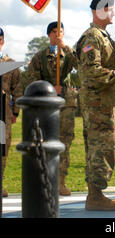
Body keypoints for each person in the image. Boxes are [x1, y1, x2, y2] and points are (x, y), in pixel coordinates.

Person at [76, 0, 115, 211]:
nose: (113, 14)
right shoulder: (92, 37)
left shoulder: (103, 36)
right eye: (109, 10)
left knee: (102, 148)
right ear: (98, 11)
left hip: (104, 102)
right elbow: (91, 72)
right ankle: (96, 196)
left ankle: (95, 194)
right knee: (100, 149)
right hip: (97, 103)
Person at [27, 22, 78, 196]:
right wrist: (49, 87)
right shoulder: (39, 57)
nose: (58, 35)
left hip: (66, 104)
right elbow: (32, 80)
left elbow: (81, 65)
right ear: (49, 35)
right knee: (45, 141)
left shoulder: (68, 54)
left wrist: (66, 47)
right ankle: (45, 180)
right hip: (47, 105)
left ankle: (61, 181)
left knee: (64, 143)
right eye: (55, 32)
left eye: (61, 32)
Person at [0, 28, 23, 197]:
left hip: (4, 113)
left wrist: (15, 112)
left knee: (3, 149)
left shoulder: (10, 64)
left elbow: (18, 89)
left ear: (2, 41)